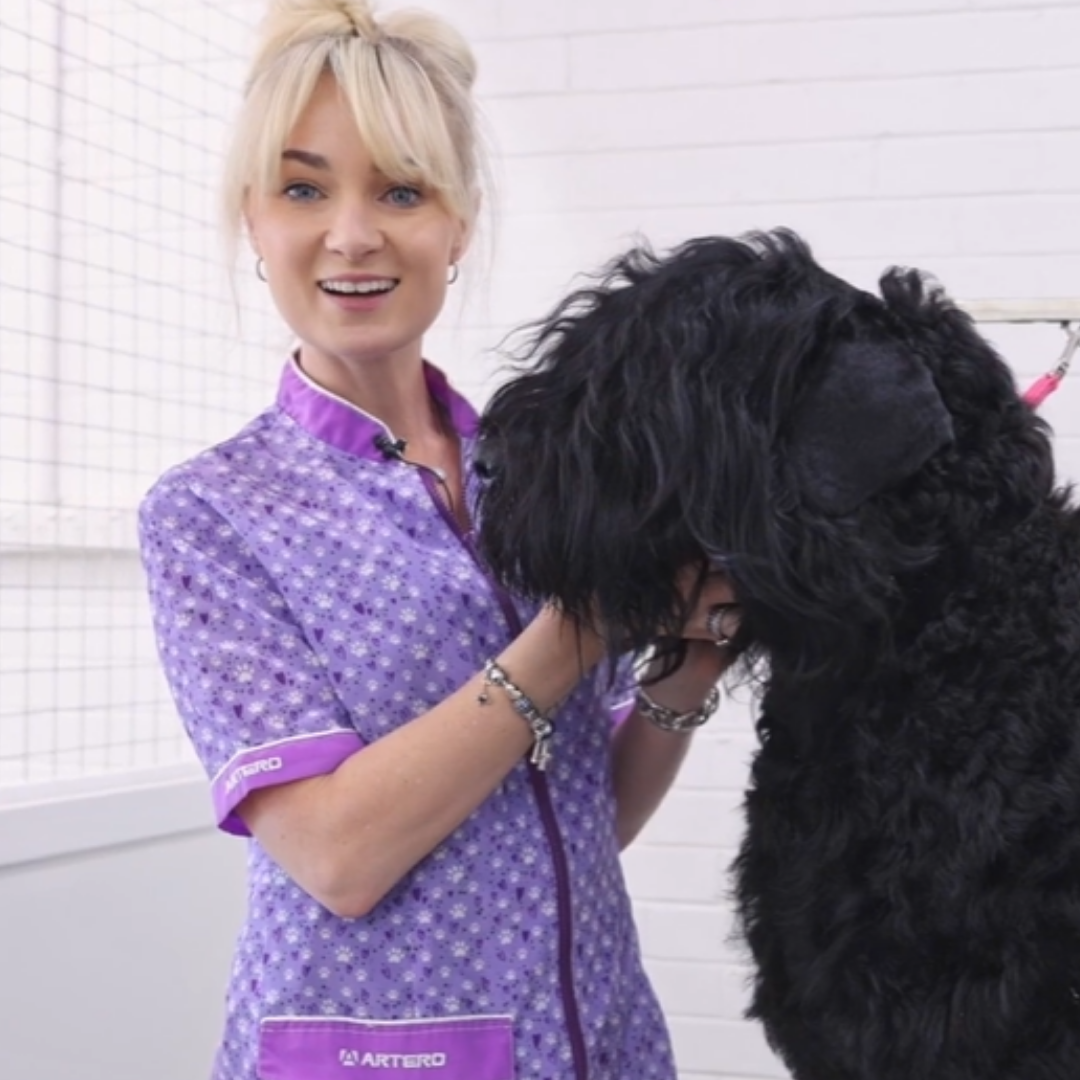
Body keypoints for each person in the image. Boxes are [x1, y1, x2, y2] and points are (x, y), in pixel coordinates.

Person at [138, 2, 737, 1077]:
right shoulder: (213, 515)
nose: (354, 234)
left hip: (601, 1037)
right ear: (253, 220)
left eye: (402, 190)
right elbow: (337, 853)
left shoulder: (540, 471)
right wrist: (580, 627)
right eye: (304, 187)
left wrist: (694, 657)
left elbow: (587, 815)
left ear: (457, 226)